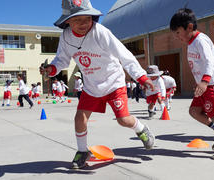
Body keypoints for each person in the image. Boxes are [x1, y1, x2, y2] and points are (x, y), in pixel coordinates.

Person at [39, 0, 155, 169]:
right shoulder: (66, 37)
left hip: (113, 82)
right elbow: (62, 59)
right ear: (67, 21)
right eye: (77, 19)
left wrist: (142, 77)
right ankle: (82, 151)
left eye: (87, 18)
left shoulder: (100, 32)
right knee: (80, 118)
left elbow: (124, 55)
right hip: (92, 86)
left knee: (123, 120)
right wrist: (51, 69)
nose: (84, 23)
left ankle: (141, 129)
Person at [170, 8, 214, 160]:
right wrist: (199, 82)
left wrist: (204, 81)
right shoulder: (191, 43)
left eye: (177, 32)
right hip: (204, 84)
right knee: (194, 111)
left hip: (213, 83)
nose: (177, 37)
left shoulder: (200, 40)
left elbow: (209, 62)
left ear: (189, 27)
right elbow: (198, 65)